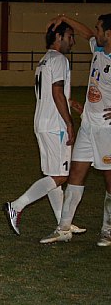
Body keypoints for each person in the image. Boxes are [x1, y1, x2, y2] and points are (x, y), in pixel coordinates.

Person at [3, 19, 88, 237]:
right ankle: (17, 205)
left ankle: (64, 224)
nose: (73, 41)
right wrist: (69, 123)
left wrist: (72, 103)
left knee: (54, 174)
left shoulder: (44, 60)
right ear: (58, 37)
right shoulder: (59, 59)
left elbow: (55, 93)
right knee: (61, 176)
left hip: (42, 123)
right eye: (70, 36)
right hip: (54, 125)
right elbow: (56, 92)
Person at [40, 14, 111, 246]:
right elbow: (87, 33)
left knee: (109, 181)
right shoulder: (99, 50)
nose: (94, 33)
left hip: (106, 130)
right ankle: (63, 228)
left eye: (99, 29)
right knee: (75, 177)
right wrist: (64, 17)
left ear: (109, 34)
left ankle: (108, 230)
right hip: (88, 126)